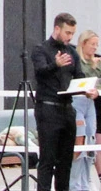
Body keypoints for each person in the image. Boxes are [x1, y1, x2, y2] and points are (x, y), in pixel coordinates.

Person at [36, 13, 96, 191]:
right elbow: (40, 72)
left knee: (65, 162)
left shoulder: (71, 52)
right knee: (47, 160)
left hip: (67, 108)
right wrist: (55, 64)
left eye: (72, 33)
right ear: (57, 29)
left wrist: (88, 89)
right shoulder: (41, 49)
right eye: (67, 32)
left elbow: (79, 76)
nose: (70, 37)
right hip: (48, 108)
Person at [76, 31, 101, 191]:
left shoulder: (97, 62)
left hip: (93, 102)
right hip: (78, 100)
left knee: (91, 140)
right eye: (92, 44)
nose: (95, 47)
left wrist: (97, 90)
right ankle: (74, 180)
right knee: (80, 138)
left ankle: (86, 181)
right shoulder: (76, 61)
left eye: (96, 44)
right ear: (83, 43)